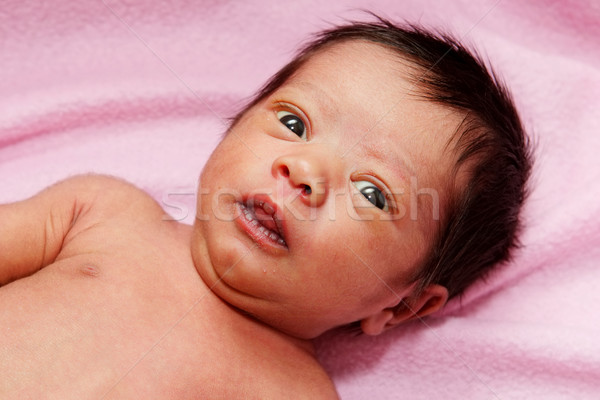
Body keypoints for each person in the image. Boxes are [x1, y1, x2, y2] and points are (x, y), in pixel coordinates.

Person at [0, 17, 531, 398]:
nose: (304, 171)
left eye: (373, 193)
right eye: (294, 125)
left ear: (401, 306)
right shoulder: (100, 210)